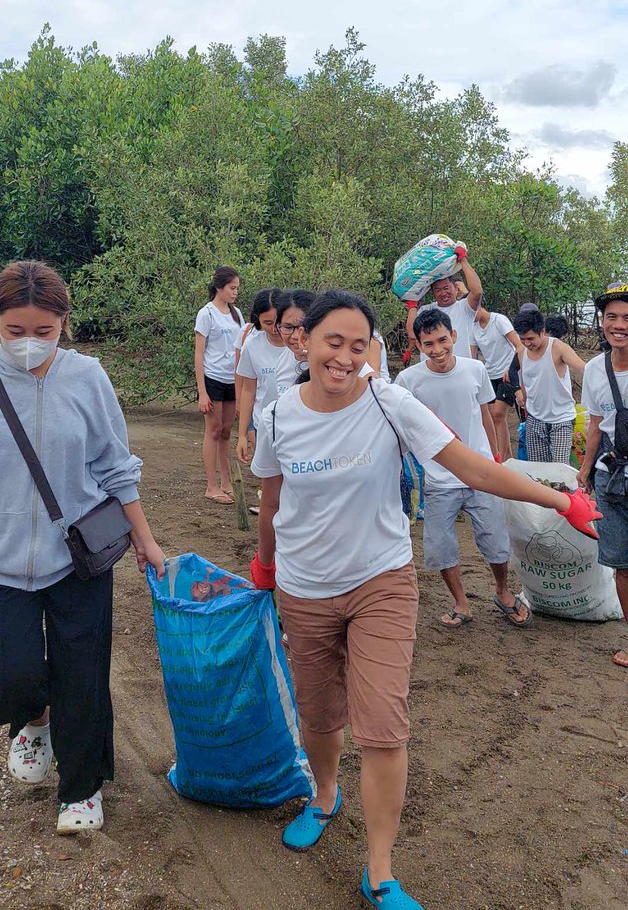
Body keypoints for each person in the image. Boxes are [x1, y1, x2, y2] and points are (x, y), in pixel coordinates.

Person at [248, 289, 599, 909]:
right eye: (334, 342)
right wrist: (264, 571)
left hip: (381, 579)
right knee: (321, 714)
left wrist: (561, 499)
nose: (345, 357)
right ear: (305, 341)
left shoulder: (390, 402)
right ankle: (324, 795)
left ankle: (379, 870)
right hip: (303, 589)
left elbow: (476, 468)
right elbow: (272, 504)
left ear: (373, 350)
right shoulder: (276, 417)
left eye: (360, 346)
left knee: (383, 726)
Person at [0, 260, 165, 835]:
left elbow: (115, 464)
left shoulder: (88, 377)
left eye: (43, 332)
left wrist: (144, 539)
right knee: (11, 677)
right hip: (1, 561)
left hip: (78, 556)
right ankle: (35, 721)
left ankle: (81, 790)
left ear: (63, 324)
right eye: (15, 331)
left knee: (83, 674)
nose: (29, 343)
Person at [396, 308, 529, 628]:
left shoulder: (475, 369)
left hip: (481, 471)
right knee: (441, 546)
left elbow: (484, 413)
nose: (438, 349)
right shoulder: (408, 380)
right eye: (429, 344)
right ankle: (460, 602)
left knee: (496, 541)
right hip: (439, 478)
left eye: (443, 340)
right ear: (419, 346)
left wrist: (494, 453)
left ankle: (502, 591)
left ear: (454, 336)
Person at [578, 280, 628, 668]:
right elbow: (595, 425)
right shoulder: (595, 370)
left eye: (627, 317)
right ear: (602, 321)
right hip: (612, 477)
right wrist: (584, 470)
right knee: (621, 564)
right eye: (612, 317)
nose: (619, 324)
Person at [194, 266, 244, 503]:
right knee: (213, 431)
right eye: (232, 288)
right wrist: (202, 392)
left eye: (237, 288)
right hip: (212, 378)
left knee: (226, 431)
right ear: (219, 288)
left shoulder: (237, 314)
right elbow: (199, 353)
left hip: (232, 379)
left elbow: (241, 349)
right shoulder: (206, 314)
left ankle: (226, 481)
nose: (235, 293)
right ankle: (211, 485)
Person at [513, 306, 585, 464]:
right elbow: (525, 380)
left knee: (560, 469)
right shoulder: (521, 351)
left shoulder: (558, 348)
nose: (527, 343)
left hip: (561, 418)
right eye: (522, 339)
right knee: (539, 470)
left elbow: (585, 370)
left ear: (542, 331)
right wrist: (524, 402)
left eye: (530, 339)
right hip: (535, 419)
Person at [405, 243, 482, 360]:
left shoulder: (465, 307)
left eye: (446, 288)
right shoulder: (426, 310)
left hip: (459, 370)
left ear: (455, 288)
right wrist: (412, 305)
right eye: (437, 290)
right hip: (431, 372)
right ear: (433, 293)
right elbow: (412, 334)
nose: (443, 293)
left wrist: (463, 260)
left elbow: (477, 292)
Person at [235, 288, 284, 464]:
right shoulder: (252, 345)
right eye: (267, 323)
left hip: (294, 424)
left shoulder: (299, 345)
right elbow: (248, 390)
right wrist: (242, 435)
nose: (274, 329)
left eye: (279, 322)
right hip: (263, 424)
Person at [471, 303, 521, 460]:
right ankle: (502, 456)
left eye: (473, 310)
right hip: (489, 374)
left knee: (498, 414)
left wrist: (511, 369)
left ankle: (504, 458)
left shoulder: (499, 320)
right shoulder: (472, 328)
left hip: (507, 372)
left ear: (479, 306)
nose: (471, 315)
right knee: (493, 418)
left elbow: (519, 345)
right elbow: (472, 356)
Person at [272, 288, 315, 396]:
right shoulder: (283, 360)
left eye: (303, 327)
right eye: (288, 327)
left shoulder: (331, 362)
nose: (296, 336)